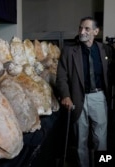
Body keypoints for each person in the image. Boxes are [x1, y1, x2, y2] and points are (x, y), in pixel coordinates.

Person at [56, 16, 114, 167]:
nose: (82, 31)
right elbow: (61, 77)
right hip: (77, 98)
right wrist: (66, 95)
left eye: (87, 29)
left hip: (99, 98)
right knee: (81, 140)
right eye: (80, 28)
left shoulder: (105, 50)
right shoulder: (69, 51)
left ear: (96, 31)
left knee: (101, 139)